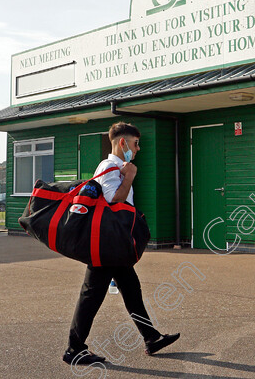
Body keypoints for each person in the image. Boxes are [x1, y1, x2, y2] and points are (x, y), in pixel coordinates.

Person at [63, 121, 180, 366]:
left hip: (114, 244)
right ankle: (74, 349)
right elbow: (114, 201)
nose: (138, 149)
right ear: (123, 142)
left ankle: (151, 337)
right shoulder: (109, 166)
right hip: (106, 245)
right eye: (136, 144)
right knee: (91, 296)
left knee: (131, 291)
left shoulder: (120, 166)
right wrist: (130, 176)